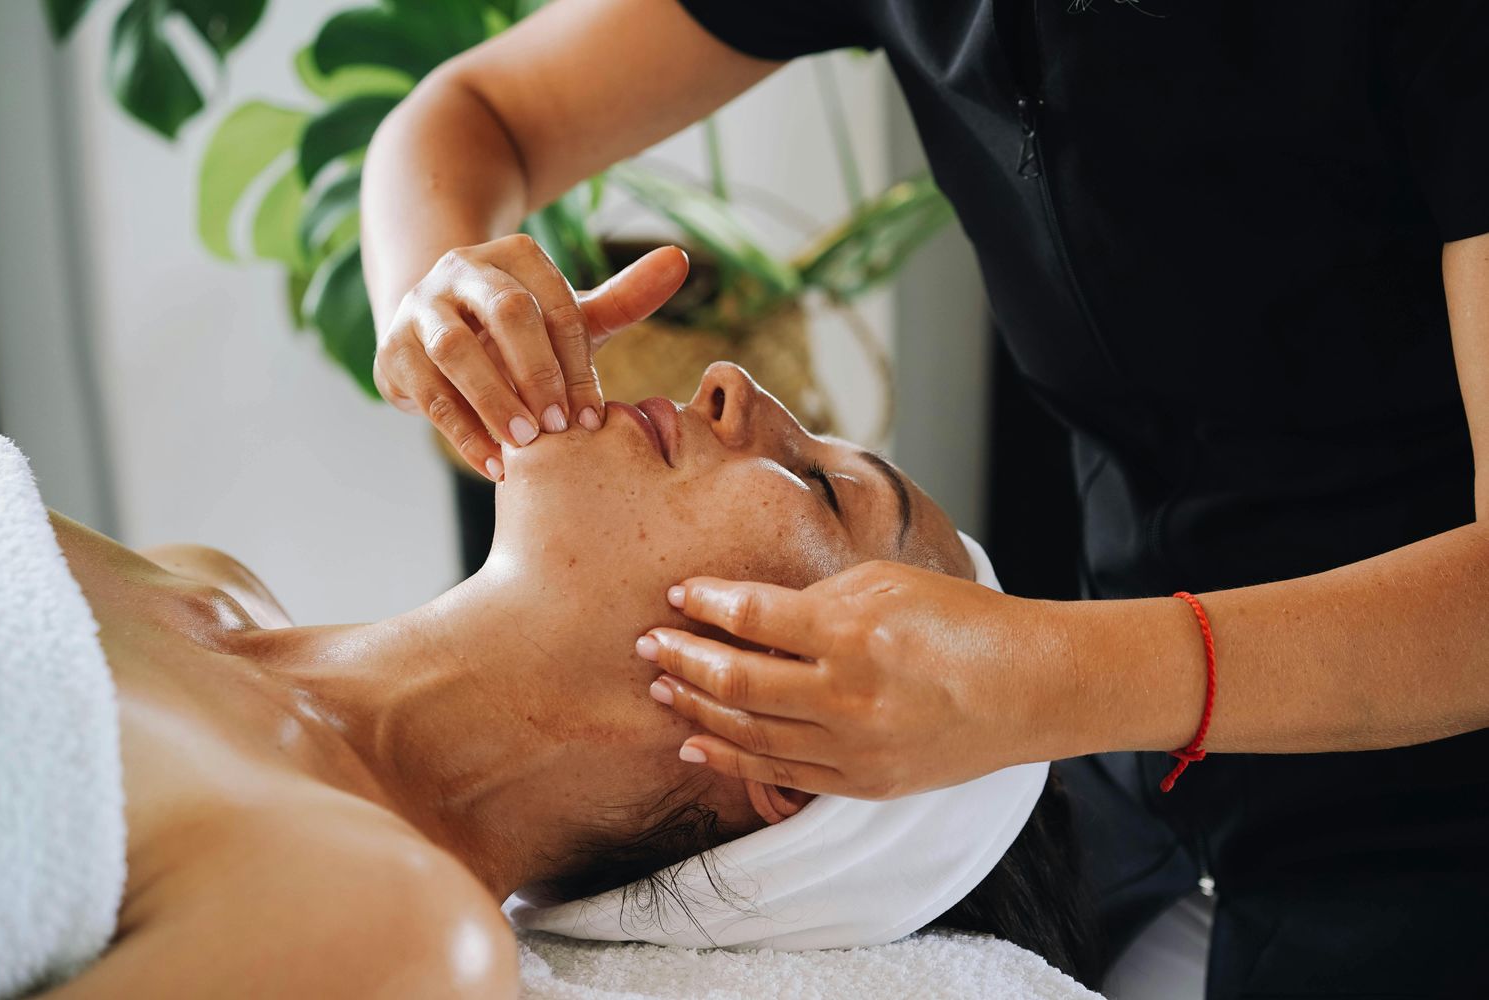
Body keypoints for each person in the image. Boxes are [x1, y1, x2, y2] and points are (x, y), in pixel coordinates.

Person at [359, 1, 1489, 995]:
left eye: (822, 485)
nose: (727, 385)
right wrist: (440, 298)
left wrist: (1051, 675)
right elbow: (476, 114)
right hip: (1134, 769)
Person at [29, 365, 1095, 997]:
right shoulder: (202, 581)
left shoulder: (386, 929)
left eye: (823, 486)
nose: (734, 383)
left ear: (791, 742)